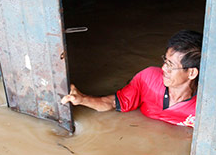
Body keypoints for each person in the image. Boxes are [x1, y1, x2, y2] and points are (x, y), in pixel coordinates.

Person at [60, 30, 202, 128]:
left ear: (191, 73)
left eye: (171, 65)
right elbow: (113, 102)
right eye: (165, 61)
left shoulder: (204, 107)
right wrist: (82, 99)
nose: (164, 68)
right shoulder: (149, 79)